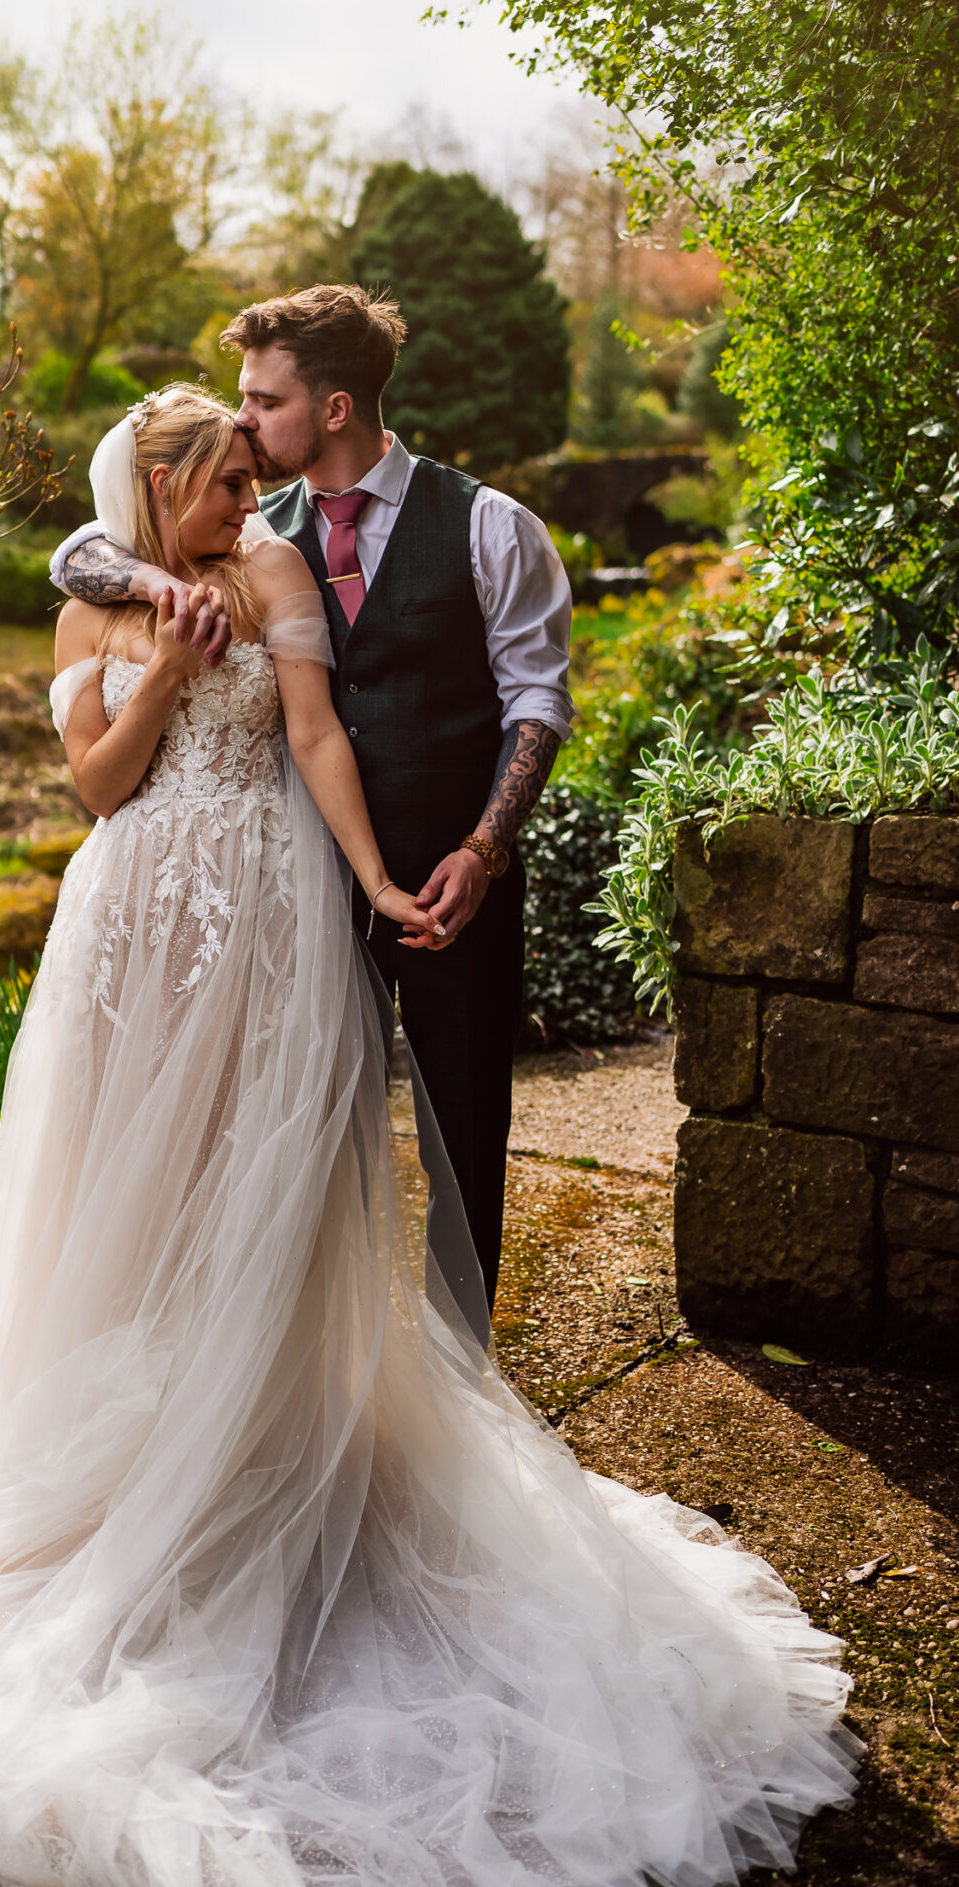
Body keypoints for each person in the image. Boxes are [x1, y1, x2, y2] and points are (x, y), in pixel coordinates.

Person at [0, 386, 858, 1887]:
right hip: (131, 928)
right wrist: (156, 663)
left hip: (273, 921)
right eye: (226, 480)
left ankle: (258, 1461)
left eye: (252, 471)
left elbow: (310, 736)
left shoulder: (280, 575)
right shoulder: (98, 588)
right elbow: (94, 785)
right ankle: (122, 1471)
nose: (251, 498)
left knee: (264, 1200)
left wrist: (369, 883)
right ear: (161, 483)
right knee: (127, 1206)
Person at [51, 285, 571, 1308]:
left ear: (334, 407)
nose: (240, 423)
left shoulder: (489, 526)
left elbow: (538, 704)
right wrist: (160, 601)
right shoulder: (247, 528)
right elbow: (83, 551)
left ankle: (460, 1383)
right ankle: (315, 1364)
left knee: (463, 1134)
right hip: (282, 890)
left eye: (261, 400)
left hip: (441, 878)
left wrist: (483, 846)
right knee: (295, 1144)